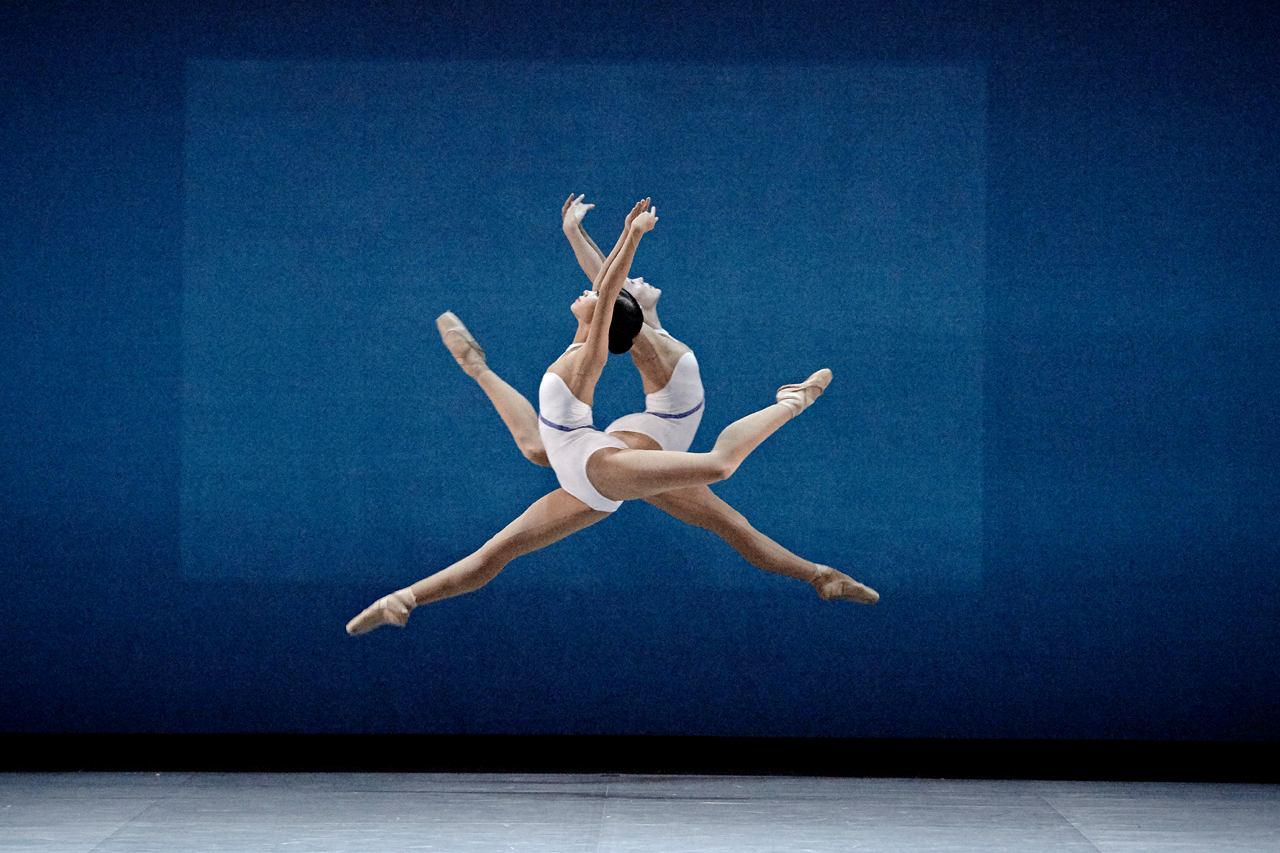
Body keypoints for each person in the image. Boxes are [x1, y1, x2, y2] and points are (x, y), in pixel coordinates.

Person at [346, 199, 873, 636]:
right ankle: (403, 599)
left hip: (613, 457)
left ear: (612, 312)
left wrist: (627, 235)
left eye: (603, 298)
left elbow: (609, 275)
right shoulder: (597, 335)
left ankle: (790, 400)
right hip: (614, 442)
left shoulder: (604, 349)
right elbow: (605, 278)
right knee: (521, 491)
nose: (602, 290)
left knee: (720, 468)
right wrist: (576, 232)